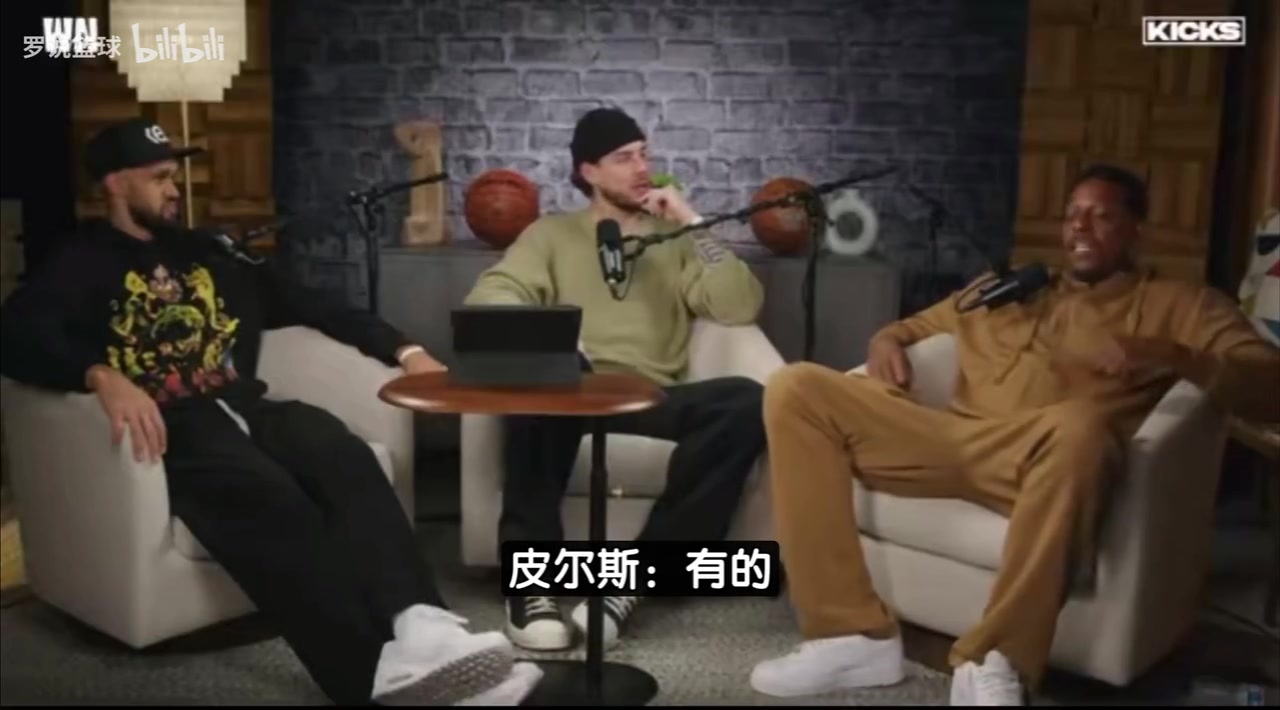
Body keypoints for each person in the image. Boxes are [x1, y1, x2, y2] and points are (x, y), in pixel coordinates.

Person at [0, 118, 545, 706]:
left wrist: (404, 350)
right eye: (158, 179)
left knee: (342, 452)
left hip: (246, 406)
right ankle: (371, 681)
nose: (174, 190)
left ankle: (425, 629)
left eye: (174, 176)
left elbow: (312, 303)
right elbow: (16, 337)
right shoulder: (78, 262)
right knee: (271, 495)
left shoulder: (208, 252)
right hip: (175, 426)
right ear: (114, 183)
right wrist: (98, 374)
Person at [748, 164, 1280, 705]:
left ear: (1135, 230)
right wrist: (886, 340)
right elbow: (916, 326)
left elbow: (1268, 381)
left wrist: (1174, 354)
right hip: (946, 441)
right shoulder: (1010, 288)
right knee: (796, 387)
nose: (1081, 228)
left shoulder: (1182, 305)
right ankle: (850, 636)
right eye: (1073, 215)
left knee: (1083, 425)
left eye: (1101, 216)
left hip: (1046, 463)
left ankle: (993, 659)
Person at [464, 107, 768, 651]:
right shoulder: (551, 234)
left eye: (645, 155)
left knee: (748, 400)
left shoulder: (675, 238)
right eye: (623, 158)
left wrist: (691, 222)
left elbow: (738, 305)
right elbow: (491, 295)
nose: (641, 168)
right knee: (539, 375)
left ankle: (630, 582)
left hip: (648, 396)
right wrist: (553, 335)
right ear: (588, 171)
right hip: (573, 392)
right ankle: (531, 587)